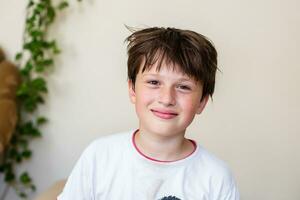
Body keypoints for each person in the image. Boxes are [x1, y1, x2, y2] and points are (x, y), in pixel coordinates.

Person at [58, 27, 240, 200]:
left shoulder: (216, 177)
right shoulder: (99, 156)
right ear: (132, 90)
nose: (167, 98)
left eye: (183, 87)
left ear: (202, 102)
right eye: (154, 82)